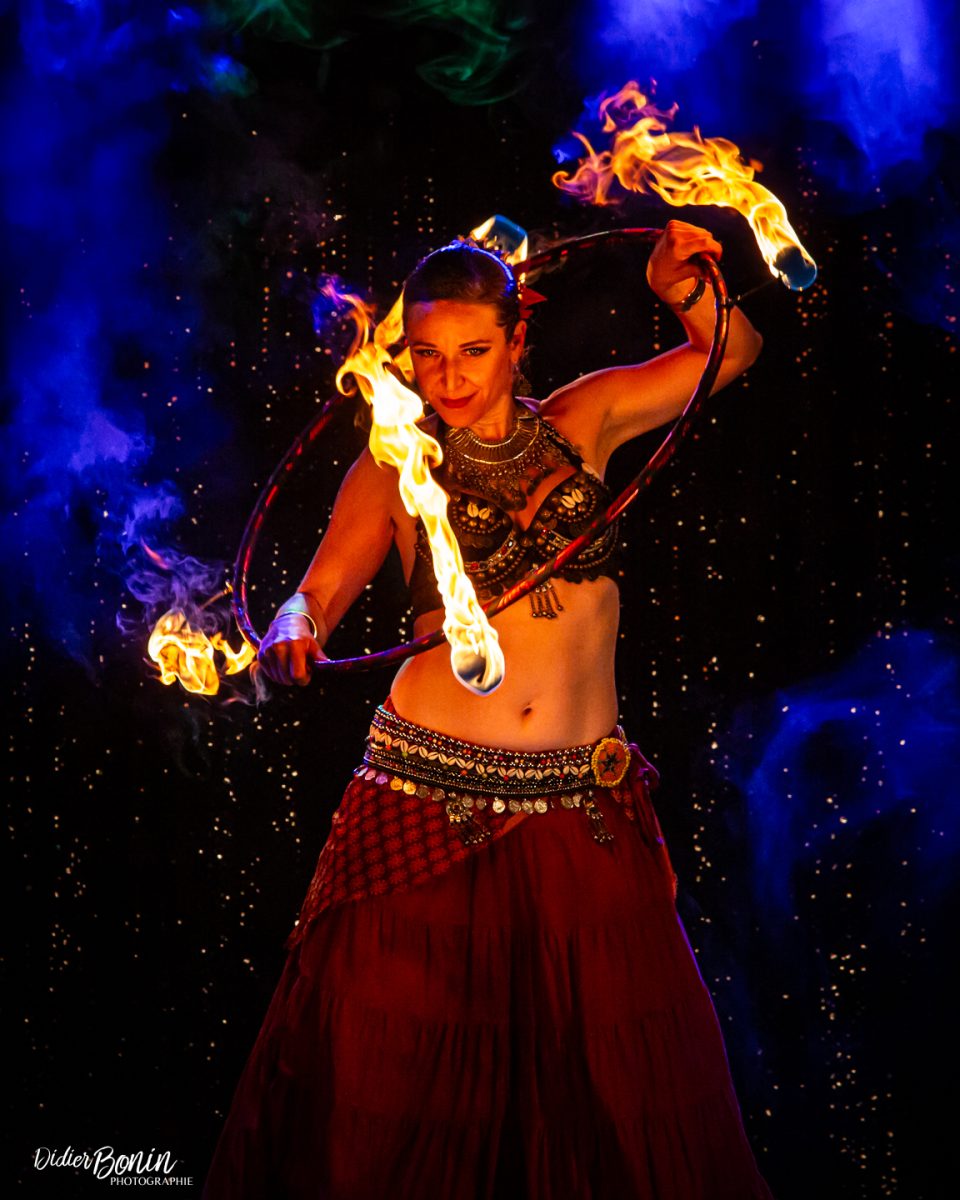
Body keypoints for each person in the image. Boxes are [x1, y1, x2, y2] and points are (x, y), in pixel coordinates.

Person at [201, 220, 774, 1199]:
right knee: (393, 1079)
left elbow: (731, 355)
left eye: (474, 350)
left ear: (517, 340)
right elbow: (317, 592)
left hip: (578, 801)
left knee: (621, 1079)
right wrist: (292, 627)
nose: (451, 376)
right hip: (427, 800)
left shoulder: (586, 418)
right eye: (429, 354)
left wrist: (678, 285)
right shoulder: (394, 464)